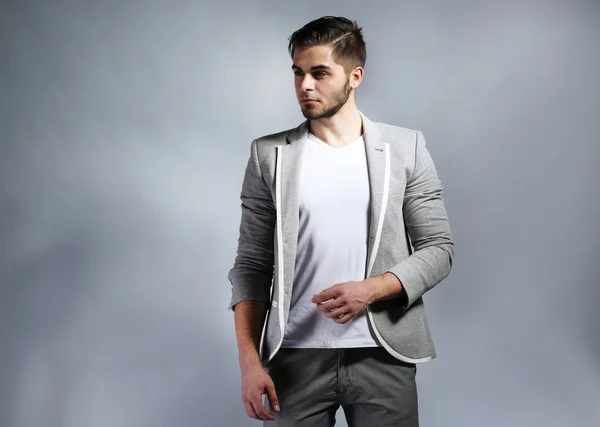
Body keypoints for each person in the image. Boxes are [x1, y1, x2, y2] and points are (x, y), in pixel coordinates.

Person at [227, 16, 453, 427]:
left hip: (383, 354)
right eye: (297, 73)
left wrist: (373, 289)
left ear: (355, 76)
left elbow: (439, 249)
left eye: (319, 73)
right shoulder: (268, 155)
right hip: (292, 360)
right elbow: (251, 266)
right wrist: (249, 362)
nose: (304, 86)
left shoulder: (406, 148)